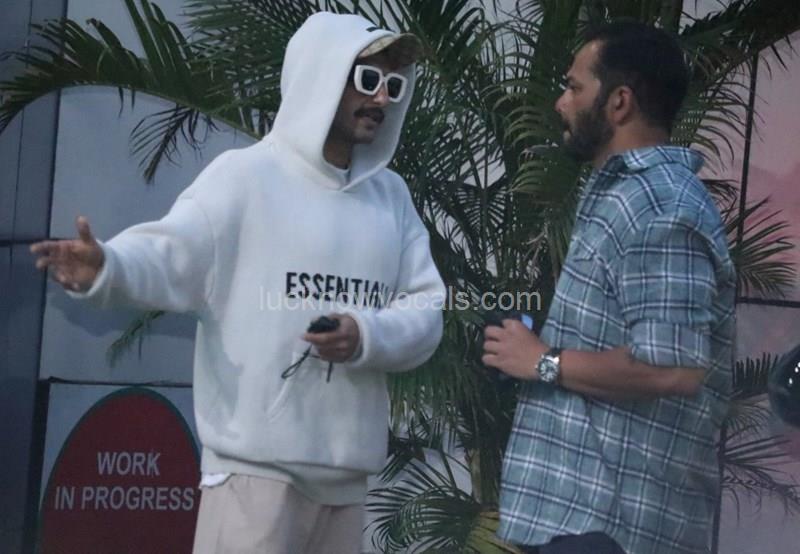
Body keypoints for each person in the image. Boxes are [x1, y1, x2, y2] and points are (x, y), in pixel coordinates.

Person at [31, 12, 445, 554]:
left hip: (346, 482)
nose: (382, 98)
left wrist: (365, 335)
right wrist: (107, 267)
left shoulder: (391, 198)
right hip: (253, 477)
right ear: (320, 77)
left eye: (393, 85)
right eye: (368, 80)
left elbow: (426, 310)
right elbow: (171, 254)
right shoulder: (245, 178)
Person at [482, 22, 735, 554]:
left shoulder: (661, 206)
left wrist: (543, 361)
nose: (560, 103)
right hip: (584, 519)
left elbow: (673, 368)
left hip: (613, 528)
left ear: (619, 102)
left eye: (574, 87)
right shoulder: (627, 194)